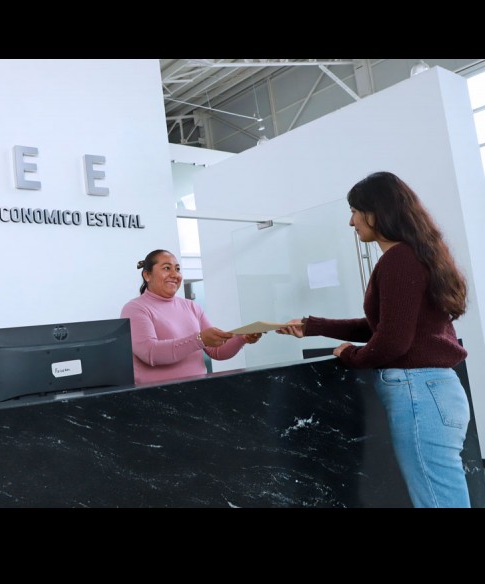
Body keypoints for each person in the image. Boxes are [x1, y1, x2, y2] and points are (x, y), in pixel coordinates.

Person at [276, 171, 471, 508]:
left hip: (420, 394)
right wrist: (313, 326)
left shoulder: (399, 260)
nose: (351, 222)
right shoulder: (416, 255)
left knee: (438, 501)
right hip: (433, 391)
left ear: (376, 212)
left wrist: (350, 356)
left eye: (354, 211)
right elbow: (384, 326)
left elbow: (392, 341)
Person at [120, 249, 262, 386]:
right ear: (147, 275)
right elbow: (151, 353)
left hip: (198, 391)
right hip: (158, 395)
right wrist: (199, 339)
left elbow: (216, 351)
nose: (175, 274)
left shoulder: (192, 306)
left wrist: (241, 338)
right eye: (167, 268)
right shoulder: (135, 309)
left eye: (177, 269)